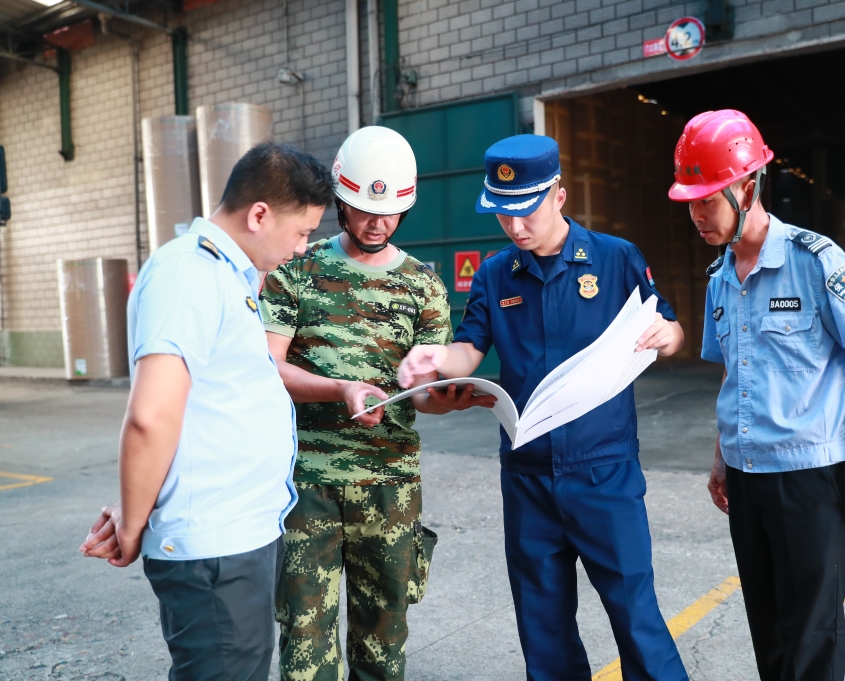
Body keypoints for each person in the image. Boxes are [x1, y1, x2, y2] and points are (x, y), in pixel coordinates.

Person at [398, 134, 690, 681]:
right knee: (543, 625)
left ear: (557, 195)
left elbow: (670, 327)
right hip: (528, 478)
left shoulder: (615, 258)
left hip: (604, 473)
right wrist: (438, 358)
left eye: (524, 211)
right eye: (503, 215)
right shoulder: (494, 274)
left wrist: (666, 335)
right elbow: (469, 348)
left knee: (636, 616)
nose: (514, 228)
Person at [78, 142, 334, 680]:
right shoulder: (190, 274)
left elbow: (212, 407)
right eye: (302, 232)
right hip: (216, 549)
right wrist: (135, 519)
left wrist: (137, 506)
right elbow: (152, 415)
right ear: (259, 214)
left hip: (235, 536)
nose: (302, 247)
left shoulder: (222, 275)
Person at [668, 109, 845, 680]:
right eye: (690, 202)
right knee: (768, 632)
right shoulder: (720, 276)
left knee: (810, 640)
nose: (697, 215)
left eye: (707, 200)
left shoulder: (816, 261)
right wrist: (722, 456)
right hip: (748, 480)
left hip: (809, 481)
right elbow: (733, 374)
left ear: (747, 189)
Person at [260, 125, 495, 681]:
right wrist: (339, 389)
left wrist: (453, 399)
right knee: (305, 640)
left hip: (390, 488)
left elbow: (425, 397)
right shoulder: (297, 271)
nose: (378, 222)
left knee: (384, 642)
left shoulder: (423, 288)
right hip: (305, 484)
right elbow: (267, 368)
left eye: (389, 212)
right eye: (365, 209)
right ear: (340, 200)